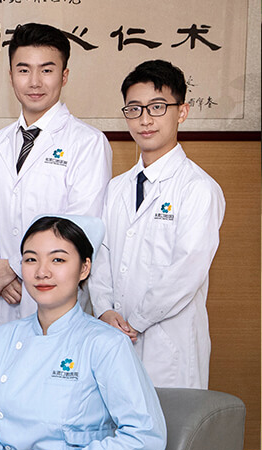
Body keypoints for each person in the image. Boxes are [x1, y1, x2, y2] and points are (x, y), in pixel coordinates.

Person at [0, 215, 165, 450]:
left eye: (57, 259)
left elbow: (145, 438)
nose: (42, 272)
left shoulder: (106, 344)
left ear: (84, 268)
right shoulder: (1, 340)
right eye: (31, 259)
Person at [0, 23, 111, 347]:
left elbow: (81, 227)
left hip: (54, 298)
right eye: (24, 70)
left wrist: (16, 268)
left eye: (46, 70)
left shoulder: (87, 143)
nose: (34, 82)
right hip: (1, 297)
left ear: (64, 75)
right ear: (11, 76)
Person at [90, 60, 225, 389]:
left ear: (182, 112)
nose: (145, 119)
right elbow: (101, 255)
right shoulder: (116, 188)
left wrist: (136, 321)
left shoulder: (198, 188)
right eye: (134, 109)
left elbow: (187, 271)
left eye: (157, 107)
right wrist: (104, 310)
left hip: (169, 347)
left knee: (171, 420)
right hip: (116, 334)